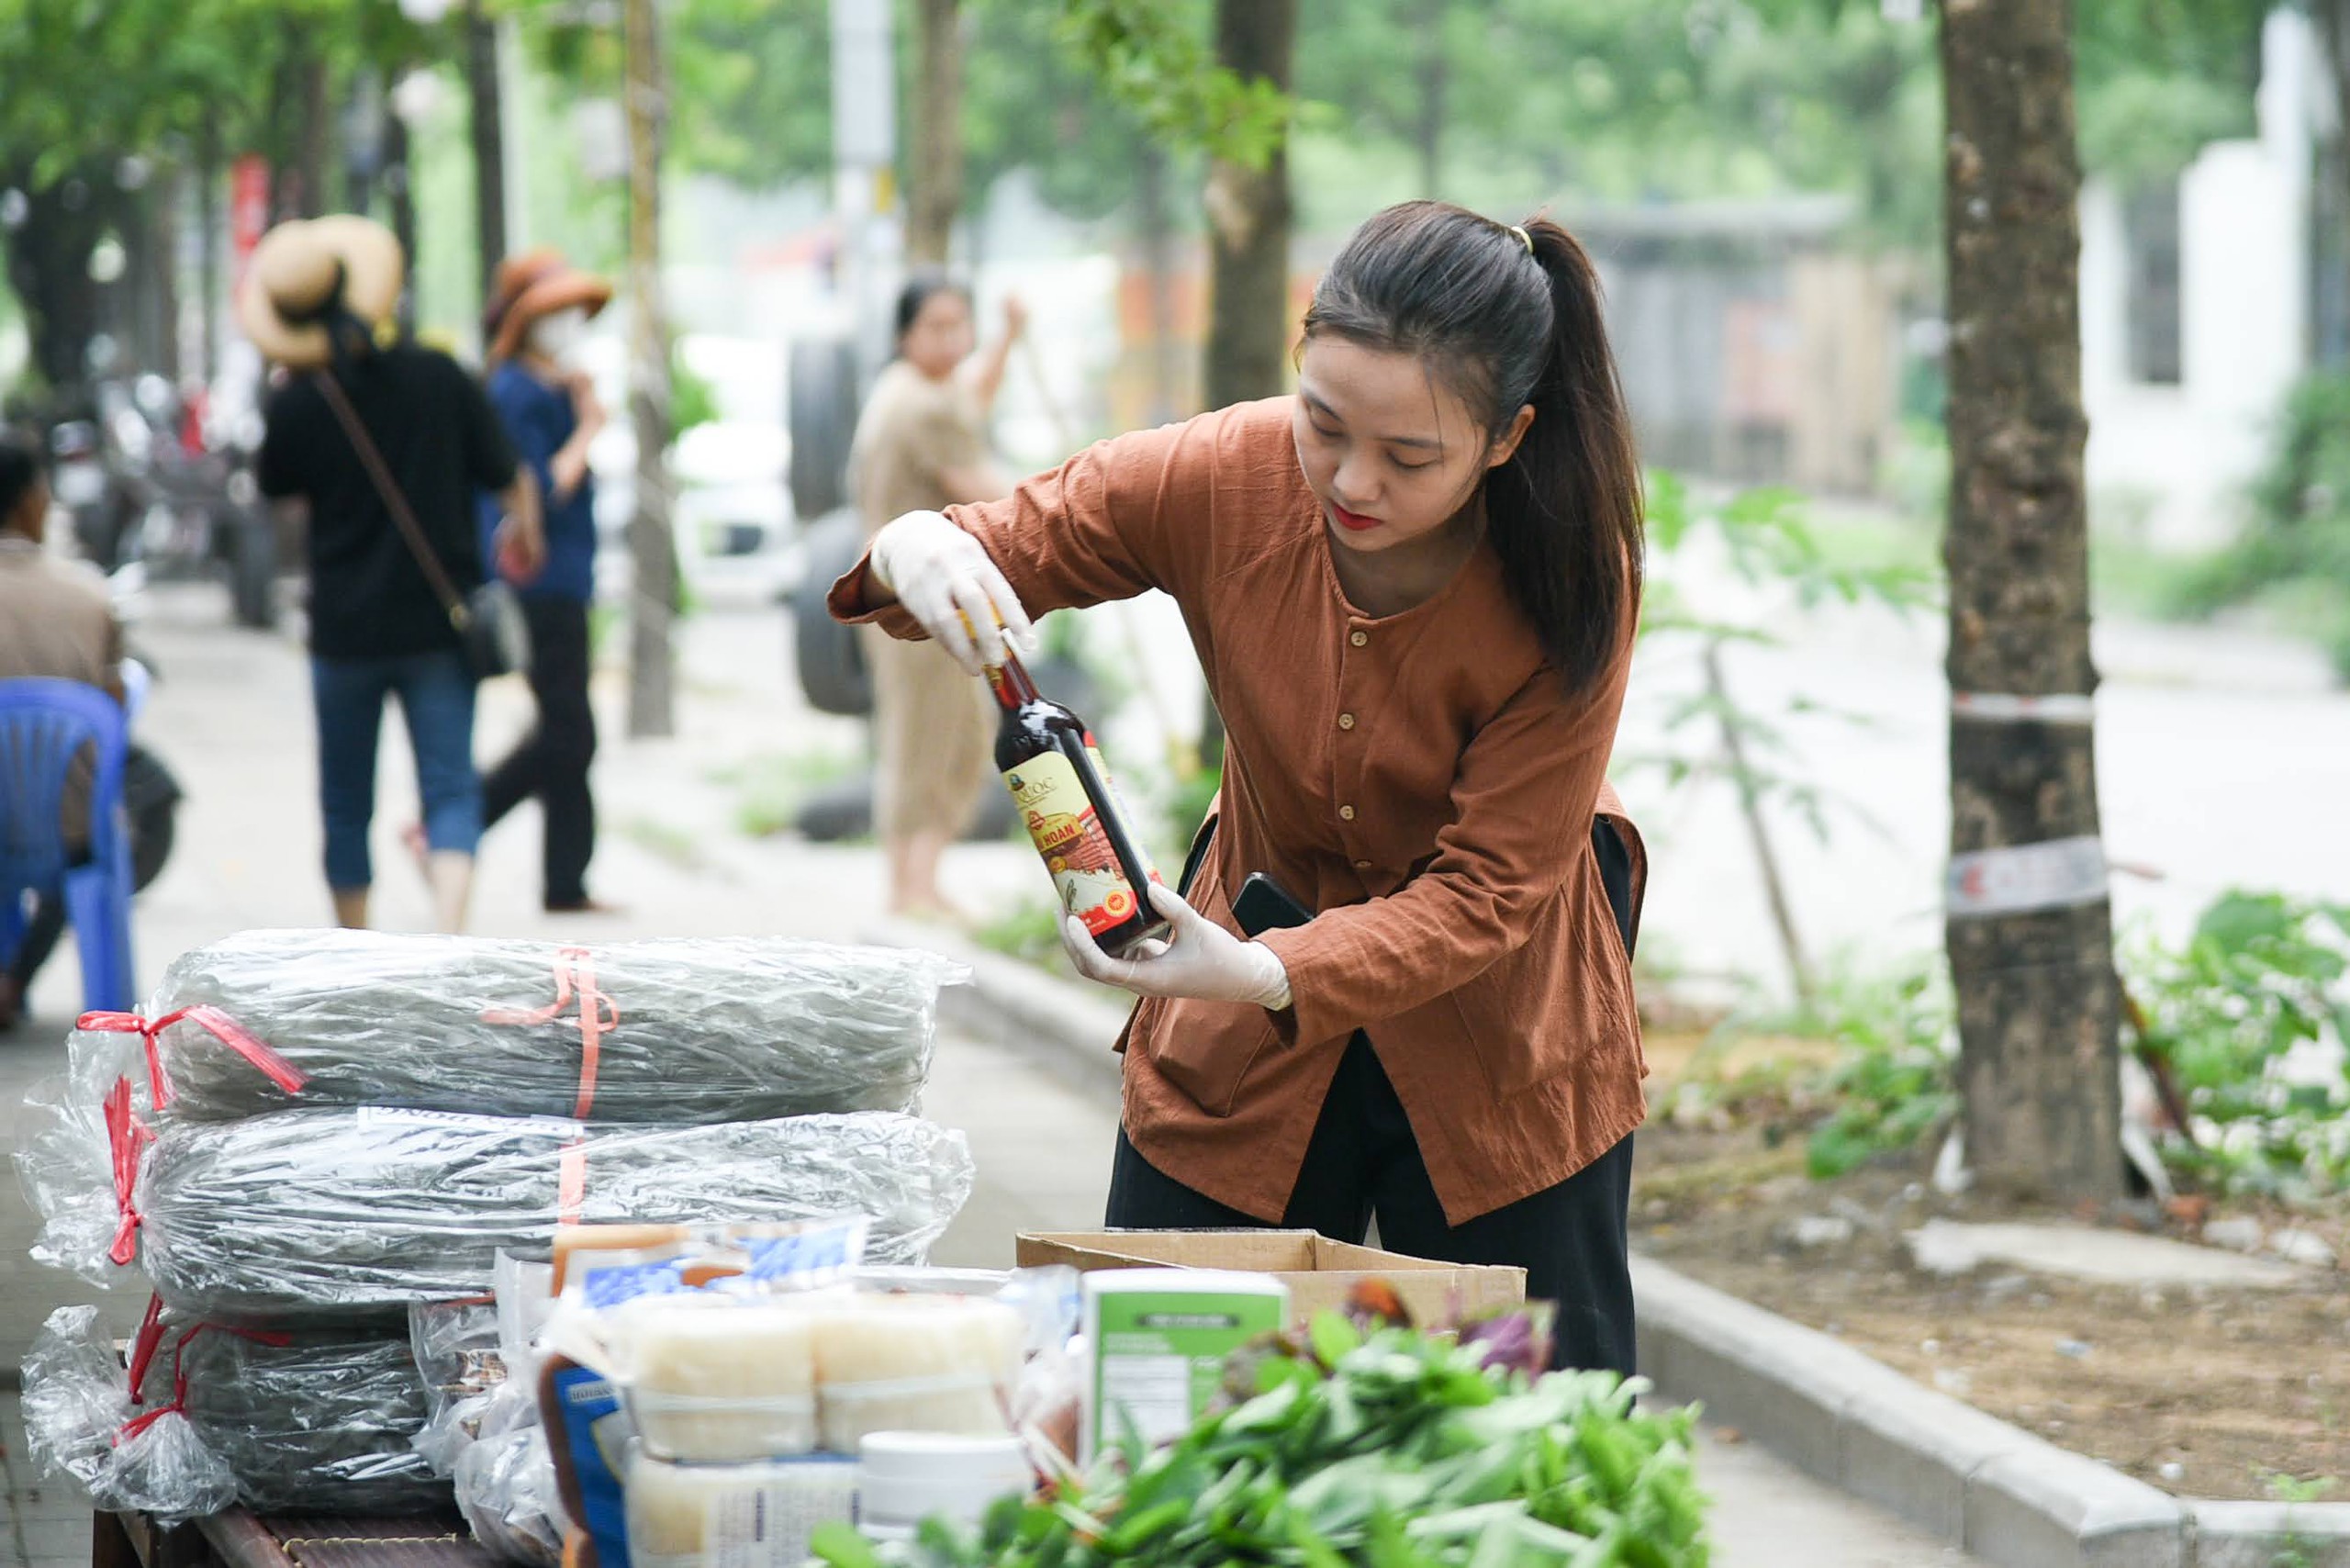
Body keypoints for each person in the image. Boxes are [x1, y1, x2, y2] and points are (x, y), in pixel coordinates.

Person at [834, 203, 1648, 1372]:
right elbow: (1008, 541)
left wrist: (1268, 969)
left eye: (1409, 457)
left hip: (1502, 1035)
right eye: (1324, 424)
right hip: (1233, 1025)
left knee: (1528, 1439)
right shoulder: (1227, 472)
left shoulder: (1573, 566)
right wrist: (920, 546)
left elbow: (1487, 892)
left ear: (1507, 438)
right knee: (1164, 1398)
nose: (1350, 479)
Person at [241, 216, 544, 935]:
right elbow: (511, 475)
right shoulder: (438, 374)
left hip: (344, 631)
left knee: (346, 802)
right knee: (450, 788)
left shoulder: (295, 403)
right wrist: (522, 535)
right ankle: (446, 942)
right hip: (439, 625)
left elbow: (274, 491)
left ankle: (356, 951)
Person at [846, 274, 1026, 922]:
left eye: (961, 325)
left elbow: (972, 398)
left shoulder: (923, 390)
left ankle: (921, 880)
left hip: (920, 594)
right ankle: (910, 887)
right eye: (937, 328)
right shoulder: (916, 405)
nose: (952, 340)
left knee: (955, 733)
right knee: (927, 738)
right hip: (917, 603)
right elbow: (982, 482)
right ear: (905, 335)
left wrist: (1005, 338)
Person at [473, 248, 615, 914]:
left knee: (567, 731)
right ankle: (456, 821)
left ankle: (566, 882)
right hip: (539, 584)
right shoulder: (515, 391)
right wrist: (589, 429)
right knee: (568, 733)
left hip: (567, 581)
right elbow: (540, 489)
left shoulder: (553, 384)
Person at [0, 431, 127, 1031]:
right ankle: (14, 976)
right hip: (63, 824)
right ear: (31, 501)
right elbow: (115, 709)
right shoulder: (89, 596)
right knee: (87, 833)